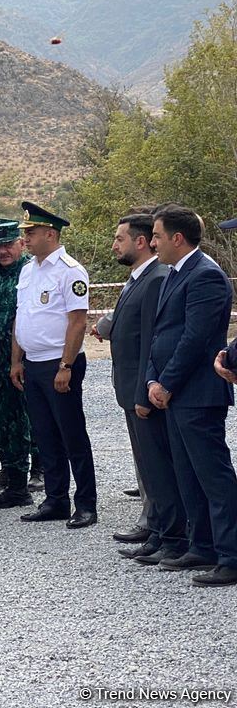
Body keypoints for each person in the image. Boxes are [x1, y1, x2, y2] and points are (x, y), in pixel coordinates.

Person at [150, 205, 237, 586]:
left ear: (177, 238)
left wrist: (165, 383)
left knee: (214, 477)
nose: (152, 242)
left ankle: (231, 554)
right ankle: (201, 544)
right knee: (188, 475)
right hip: (174, 392)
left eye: (156, 236)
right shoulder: (174, 274)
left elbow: (194, 339)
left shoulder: (206, 277)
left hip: (197, 392)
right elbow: (161, 334)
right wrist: (154, 379)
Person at [93, 213, 182, 560]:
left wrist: (145, 389)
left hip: (142, 390)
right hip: (129, 387)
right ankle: (158, 530)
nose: (115, 245)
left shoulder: (156, 278)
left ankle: (169, 535)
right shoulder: (137, 278)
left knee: (159, 467)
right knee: (148, 466)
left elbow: (150, 341)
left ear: (141, 241)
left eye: (120, 239)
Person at [9, 202, 97, 529]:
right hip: (33, 364)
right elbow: (23, 316)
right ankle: (55, 499)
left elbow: (77, 321)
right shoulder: (29, 269)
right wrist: (16, 360)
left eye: (31, 233)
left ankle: (86, 504)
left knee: (72, 435)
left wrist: (66, 365)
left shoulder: (70, 270)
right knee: (45, 436)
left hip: (60, 364)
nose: (26, 238)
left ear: (50, 233)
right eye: (25, 233)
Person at [0, 217, 39, 508]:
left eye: (7, 245)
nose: (2, 251)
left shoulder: (31, 270)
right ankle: (9, 467)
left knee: (23, 419)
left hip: (22, 358)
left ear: (21, 243)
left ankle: (26, 477)